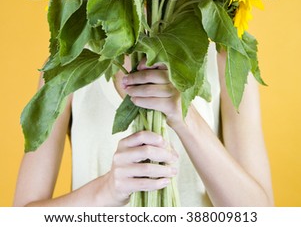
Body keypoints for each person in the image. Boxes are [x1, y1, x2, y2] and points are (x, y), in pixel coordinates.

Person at [13, 44, 274, 207]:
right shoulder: (69, 60)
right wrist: (108, 190)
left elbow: (260, 216)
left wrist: (185, 116)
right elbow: (23, 218)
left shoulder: (225, 58)